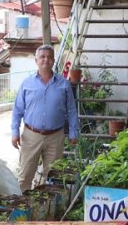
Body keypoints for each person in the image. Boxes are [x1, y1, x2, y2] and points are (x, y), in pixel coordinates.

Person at [11, 44, 79, 192]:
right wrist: (15, 132)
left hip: (55, 137)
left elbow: (72, 111)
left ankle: (47, 211)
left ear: (53, 60)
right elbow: (17, 110)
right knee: (24, 177)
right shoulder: (26, 84)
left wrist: (74, 132)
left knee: (53, 178)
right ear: (36, 60)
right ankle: (23, 211)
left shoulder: (64, 84)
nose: (45, 60)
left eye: (49, 57)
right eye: (42, 57)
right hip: (31, 136)